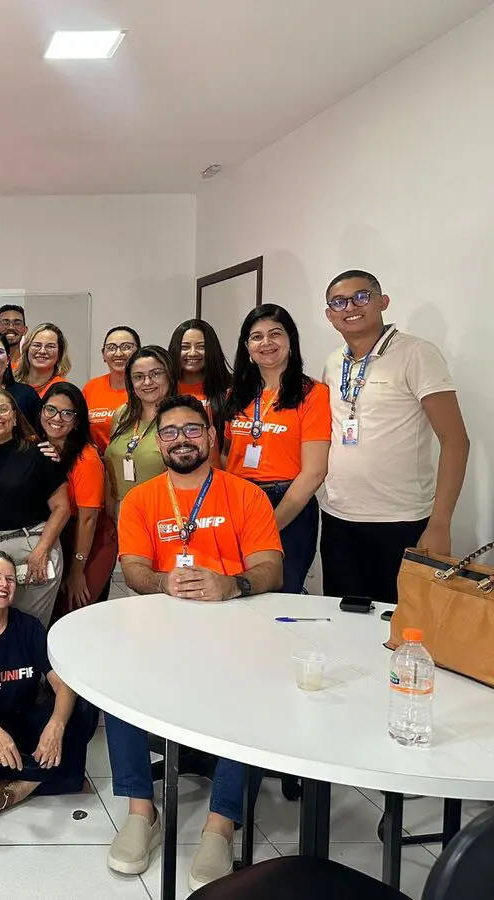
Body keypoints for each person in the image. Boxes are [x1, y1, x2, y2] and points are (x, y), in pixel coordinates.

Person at [112, 394, 283, 890]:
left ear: (210, 436)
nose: (181, 440)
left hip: (236, 634)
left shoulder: (245, 495)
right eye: (169, 432)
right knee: (112, 679)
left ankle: (220, 824)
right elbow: (134, 568)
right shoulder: (140, 500)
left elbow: (271, 567)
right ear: (159, 443)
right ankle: (141, 811)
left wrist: (233, 584)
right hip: (162, 634)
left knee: (254, 692)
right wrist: (162, 581)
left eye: (191, 429)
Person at [320, 270, 469, 604]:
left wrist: (440, 523)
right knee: (343, 619)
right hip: (339, 519)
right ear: (330, 315)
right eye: (339, 302)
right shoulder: (333, 362)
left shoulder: (416, 353)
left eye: (361, 296)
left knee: (402, 622)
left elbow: (456, 441)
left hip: (401, 521)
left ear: (383, 302)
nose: (350, 307)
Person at [0, 550, 98, 812]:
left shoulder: (30, 627)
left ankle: (19, 784)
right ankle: (57, 776)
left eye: (10, 579)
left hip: (24, 725)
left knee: (82, 703)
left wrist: (56, 726)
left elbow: (61, 683)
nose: (3, 584)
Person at [224, 305, 329, 593]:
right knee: (236, 590)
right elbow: (226, 452)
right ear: (247, 347)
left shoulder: (313, 394)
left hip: (288, 503)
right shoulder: (235, 395)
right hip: (239, 501)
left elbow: (314, 471)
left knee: (281, 593)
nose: (266, 343)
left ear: (290, 340)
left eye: (275, 334)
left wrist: (271, 523)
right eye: (256, 337)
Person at [0, 387, 69, 625]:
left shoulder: (39, 454)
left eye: (2, 409)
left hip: (33, 548)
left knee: (28, 627)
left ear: (15, 417)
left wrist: (41, 550)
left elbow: (62, 507)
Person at [93, 346, 178, 607]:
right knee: (137, 587)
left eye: (155, 374)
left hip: (167, 513)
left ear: (169, 375)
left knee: (169, 587)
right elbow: (113, 459)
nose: (147, 382)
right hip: (126, 512)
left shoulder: (180, 415)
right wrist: (111, 504)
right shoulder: (123, 414)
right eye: (139, 377)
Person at [37, 383, 105, 617]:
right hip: (57, 531)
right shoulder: (36, 446)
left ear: (77, 421)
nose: (57, 418)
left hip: (88, 535)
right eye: (51, 410)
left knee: (74, 606)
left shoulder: (86, 459)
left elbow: (88, 519)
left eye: (67, 413)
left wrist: (77, 569)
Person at [168, 318, 231, 433]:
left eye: (201, 347)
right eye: (185, 347)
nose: (192, 353)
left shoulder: (230, 388)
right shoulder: (165, 387)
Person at [83, 325, 140, 451]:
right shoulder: (92, 387)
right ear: (103, 354)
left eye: (126, 347)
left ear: (138, 352)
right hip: (97, 459)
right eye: (111, 348)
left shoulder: (147, 388)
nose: (118, 353)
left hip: (135, 459)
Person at [15, 323, 71, 398]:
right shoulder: (10, 383)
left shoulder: (63, 390)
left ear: (60, 353)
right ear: (27, 349)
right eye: (36, 345)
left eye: (50, 346)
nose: (42, 351)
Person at [0, 304, 27, 370]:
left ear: (25, 330)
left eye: (17, 323)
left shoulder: (30, 368)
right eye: (5, 323)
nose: (11, 327)